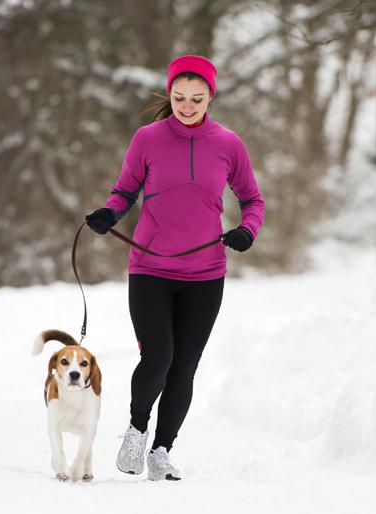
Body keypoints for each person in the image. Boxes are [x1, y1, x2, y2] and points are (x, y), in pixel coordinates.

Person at [85, 55, 265, 481]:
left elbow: (253, 200)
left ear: (210, 97)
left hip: (205, 274)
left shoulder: (228, 144)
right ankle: (136, 429)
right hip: (150, 268)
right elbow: (125, 189)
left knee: (184, 365)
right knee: (158, 355)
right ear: (170, 94)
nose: (187, 106)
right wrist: (109, 214)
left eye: (196, 98)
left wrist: (247, 231)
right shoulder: (147, 139)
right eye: (179, 97)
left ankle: (162, 449)